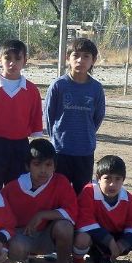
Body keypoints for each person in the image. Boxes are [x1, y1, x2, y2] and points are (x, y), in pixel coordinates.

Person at [2, 138, 89, 263]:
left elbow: (72, 212)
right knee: (15, 245)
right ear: (27, 166)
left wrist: (42, 215)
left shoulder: (61, 182)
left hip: (48, 237)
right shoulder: (12, 188)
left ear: (55, 166)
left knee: (65, 226)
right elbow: (0, 218)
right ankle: (22, 261)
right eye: (37, 164)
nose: (43, 170)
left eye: (48, 165)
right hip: (22, 236)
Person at [0, 39, 43, 189]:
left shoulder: (31, 90)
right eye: (8, 58)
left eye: (18, 59)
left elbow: (36, 118)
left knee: (17, 188)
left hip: (20, 146)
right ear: (0, 60)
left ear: (25, 61)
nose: (12, 63)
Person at [44, 37, 105, 194]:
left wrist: (86, 133)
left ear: (93, 60)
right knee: (58, 192)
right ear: (68, 58)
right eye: (76, 55)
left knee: (82, 193)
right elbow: (49, 116)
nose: (80, 60)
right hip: (61, 150)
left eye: (86, 56)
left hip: (85, 150)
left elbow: (98, 117)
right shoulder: (58, 85)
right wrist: (56, 139)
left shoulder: (96, 88)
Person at [77, 155, 132, 263]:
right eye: (107, 179)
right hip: (96, 234)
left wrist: (123, 243)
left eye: (118, 179)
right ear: (98, 178)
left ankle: (105, 257)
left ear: (123, 180)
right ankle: (83, 261)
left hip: (115, 234)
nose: (112, 184)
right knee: (83, 237)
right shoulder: (89, 191)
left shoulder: (126, 197)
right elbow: (84, 219)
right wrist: (109, 241)